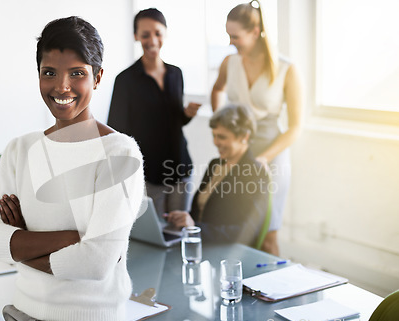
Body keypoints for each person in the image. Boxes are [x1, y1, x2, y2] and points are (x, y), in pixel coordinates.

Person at [0, 17, 145, 321]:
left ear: (97, 77)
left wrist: (20, 244)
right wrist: (72, 239)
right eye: (49, 72)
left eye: (77, 73)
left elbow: (95, 263)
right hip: (19, 314)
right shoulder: (20, 149)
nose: (62, 86)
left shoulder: (119, 154)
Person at [210, 0, 302, 255]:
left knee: (267, 235)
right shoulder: (230, 62)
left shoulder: (286, 69)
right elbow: (218, 89)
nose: (230, 42)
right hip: (239, 153)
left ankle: (277, 292)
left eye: (235, 36)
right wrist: (220, 125)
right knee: (238, 230)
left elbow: (295, 128)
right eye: (228, 35)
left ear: (255, 31)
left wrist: (262, 158)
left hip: (270, 157)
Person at [107, 8, 201, 218]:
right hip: (148, 175)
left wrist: (187, 113)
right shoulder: (125, 80)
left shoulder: (176, 74)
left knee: (180, 230)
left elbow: (175, 120)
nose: (152, 40)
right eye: (145, 34)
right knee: (155, 238)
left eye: (158, 33)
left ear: (165, 33)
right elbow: (116, 132)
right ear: (136, 36)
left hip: (181, 169)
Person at [166, 104, 270, 246]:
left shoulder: (255, 173)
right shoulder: (215, 165)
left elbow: (246, 231)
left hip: (225, 251)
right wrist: (184, 220)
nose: (216, 142)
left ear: (244, 137)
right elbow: (201, 211)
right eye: (214, 136)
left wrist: (195, 228)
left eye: (222, 137)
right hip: (202, 245)